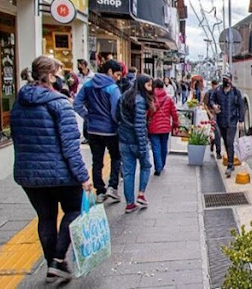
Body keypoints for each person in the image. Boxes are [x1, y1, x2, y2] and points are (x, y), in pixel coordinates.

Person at [11, 56, 92, 283]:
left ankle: (52, 266)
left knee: (45, 217)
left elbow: (16, 137)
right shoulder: (59, 103)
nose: (60, 79)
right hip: (61, 174)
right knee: (73, 210)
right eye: (57, 74)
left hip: (29, 175)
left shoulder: (19, 103)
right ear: (48, 76)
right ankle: (57, 260)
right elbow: (70, 146)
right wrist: (83, 176)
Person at [74, 59, 123, 204]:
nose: (118, 78)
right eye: (117, 74)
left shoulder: (88, 85)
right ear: (109, 72)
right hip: (110, 130)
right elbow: (116, 111)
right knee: (115, 157)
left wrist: (87, 117)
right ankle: (112, 187)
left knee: (97, 160)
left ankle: (100, 191)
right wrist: (115, 122)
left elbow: (77, 104)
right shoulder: (112, 89)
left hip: (93, 130)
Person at [117, 74, 153, 213]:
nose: (150, 89)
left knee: (128, 172)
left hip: (124, 140)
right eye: (148, 85)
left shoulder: (124, 96)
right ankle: (141, 195)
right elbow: (139, 126)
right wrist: (142, 146)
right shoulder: (140, 101)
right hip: (136, 141)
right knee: (146, 166)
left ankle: (129, 203)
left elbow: (116, 116)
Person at [210, 73, 244, 177]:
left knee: (230, 142)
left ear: (230, 80)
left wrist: (241, 121)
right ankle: (231, 161)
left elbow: (241, 106)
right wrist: (214, 105)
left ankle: (229, 165)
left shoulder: (235, 92)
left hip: (232, 121)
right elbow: (211, 100)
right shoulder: (218, 91)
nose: (225, 81)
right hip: (221, 121)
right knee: (225, 141)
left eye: (227, 79)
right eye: (223, 79)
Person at [148, 79, 179, 175]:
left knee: (156, 147)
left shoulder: (151, 98)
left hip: (153, 127)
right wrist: (175, 125)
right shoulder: (168, 99)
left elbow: (147, 113)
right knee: (164, 146)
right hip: (165, 127)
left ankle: (158, 168)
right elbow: (174, 113)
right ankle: (162, 164)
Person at [203, 79, 222, 159]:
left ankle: (213, 142)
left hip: (220, 115)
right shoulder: (208, 93)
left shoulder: (220, 94)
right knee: (217, 133)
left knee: (218, 133)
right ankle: (218, 152)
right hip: (212, 115)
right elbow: (205, 104)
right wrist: (210, 114)